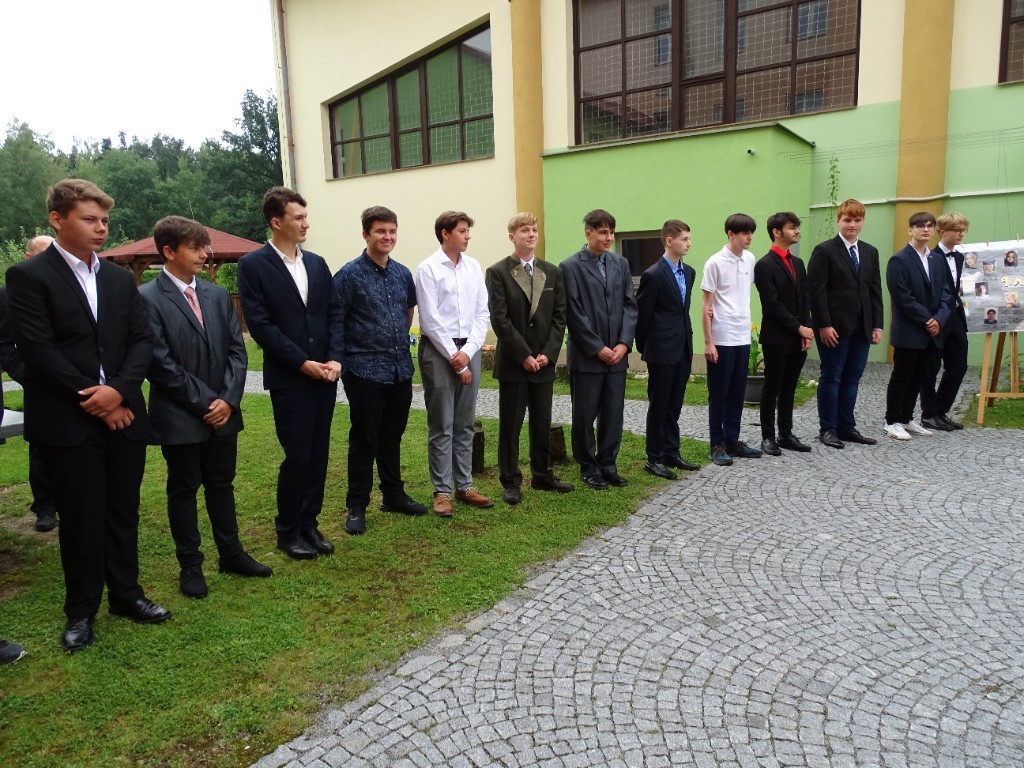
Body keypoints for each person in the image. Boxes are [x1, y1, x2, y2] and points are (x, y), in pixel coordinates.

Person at [6, 179, 170, 653]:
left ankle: (126, 595)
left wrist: (118, 392)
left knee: (123, 509)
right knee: (80, 517)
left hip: (124, 415)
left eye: (104, 221)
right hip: (68, 419)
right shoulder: (29, 276)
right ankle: (81, 610)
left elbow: (141, 340)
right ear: (58, 219)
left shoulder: (118, 278)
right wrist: (94, 398)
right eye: (89, 219)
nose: (101, 228)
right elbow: (37, 349)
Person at [140, 216, 272, 598]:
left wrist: (227, 400)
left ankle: (231, 554)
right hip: (180, 414)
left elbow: (237, 351)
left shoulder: (216, 295)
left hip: (223, 412)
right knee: (184, 489)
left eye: (204, 246)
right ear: (169, 251)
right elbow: (159, 363)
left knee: (221, 484)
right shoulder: (146, 298)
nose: (204, 254)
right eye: (195, 248)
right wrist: (205, 403)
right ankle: (190, 564)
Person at [237, 187, 342, 560]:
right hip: (290, 378)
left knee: (318, 453)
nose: (305, 223)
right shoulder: (253, 266)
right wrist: (301, 362)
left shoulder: (317, 263)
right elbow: (261, 325)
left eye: (305, 216)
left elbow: (333, 314)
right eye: (298, 217)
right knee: (297, 454)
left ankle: (309, 524)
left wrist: (335, 359)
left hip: (325, 375)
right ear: (276, 222)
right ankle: (288, 530)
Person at [333, 207, 426, 533]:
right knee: (364, 439)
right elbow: (335, 320)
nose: (387, 237)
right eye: (380, 231)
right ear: (366, 235)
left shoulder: (402, 273)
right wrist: (345, 361)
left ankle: (393, 495)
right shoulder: (348, 275)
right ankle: (357, 505)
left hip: (400, 369)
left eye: (392, 231)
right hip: (364, 371)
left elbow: (408, 310)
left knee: (392, 436)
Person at [485, 212, 574, 505]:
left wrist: (548, 353)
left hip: (543, 362)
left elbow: (559, 317)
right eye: (525, 230)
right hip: (515, 362)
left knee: (542, 421)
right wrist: (523, 354)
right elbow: (500, 319)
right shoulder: (498, 272)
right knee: (511, 425)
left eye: (534, 230)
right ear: (512, 237)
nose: (531, 234)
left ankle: (542, 474)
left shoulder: (552, 272)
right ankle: (510, 480)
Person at [415, 211, 492, 516]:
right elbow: (430, 319)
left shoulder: (473, 267)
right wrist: (455, 358)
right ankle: (442, 491)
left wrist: (469, 351)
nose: (468, 235)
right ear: (445, 234)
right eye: (462, 230)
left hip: (469, 349)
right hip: (439, 350)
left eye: (468, 230)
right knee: (442, 423)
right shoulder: (428, 268)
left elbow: (482, 314)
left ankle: (464, 486)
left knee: (465, 422)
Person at [560, 209, 638, 490]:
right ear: (588, 233)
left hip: (617, 356)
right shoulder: (570, 266)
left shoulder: (620, 263)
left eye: (612, 232)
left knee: (613, 413)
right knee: (584, 415)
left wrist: (623, 344)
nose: (609, 238)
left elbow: (630, 305)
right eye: (603, 232)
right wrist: (597, 347)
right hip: (588, 357)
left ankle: (608, 464)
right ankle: (589, 466)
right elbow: (573, 312)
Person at [806, 198, 884, 449]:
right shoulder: (825, 250)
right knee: (832, 376)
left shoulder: (870, 252)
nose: (852, 224)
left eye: (857, 220)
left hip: (862, 326)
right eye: (847, 220)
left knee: (852, 378)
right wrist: (823, 325)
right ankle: (828, 429)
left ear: (863, 222)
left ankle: (847, 427)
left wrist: (877, 325)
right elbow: (816, 292)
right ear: (838, 221)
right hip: (834, 328)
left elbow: (875, 291)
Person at [0, 235, 57, 532]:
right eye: (42, 254)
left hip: (75, 383)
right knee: (42, 448)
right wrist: (27, 376)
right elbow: (4, 345)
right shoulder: (7, 295)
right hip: (38, 385)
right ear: (27, 257)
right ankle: (45, 506)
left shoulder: (66, 289)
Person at [635, 219, 700, 479]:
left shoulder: (690, 272)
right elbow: (643, 315)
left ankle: (671, 451)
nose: (689, 243)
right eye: (684, 239)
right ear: (669, 241)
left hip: (683, 347)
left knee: (675, 404)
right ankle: (654, 457)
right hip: (661, 350)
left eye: (689, 238)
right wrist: (646, 348)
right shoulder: (653, 275)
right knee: (659, 404)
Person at [701, 213, 763, 466]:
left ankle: (732, 441)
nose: (749, 238)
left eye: (751, 233)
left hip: (742, 335)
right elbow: (706, 305)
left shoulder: (750, 259)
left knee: (738, 391)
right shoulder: (714, 263)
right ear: (730, 234)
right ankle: (716, 444)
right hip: (722, 336)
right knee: (719, 393)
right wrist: (709, 341)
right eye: (745, 233)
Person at [883, 212, 950, 441]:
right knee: (902, 375)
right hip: (910, 328)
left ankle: (906, 418)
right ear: (910, 229)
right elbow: (902, 296)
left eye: (930, 226)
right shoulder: (899, 260)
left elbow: (946, 293)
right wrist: (927, 319)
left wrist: (939, 319)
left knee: (919, 375)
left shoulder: (937, 260)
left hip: (932, 330)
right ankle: (892, 421)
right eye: (920, 226)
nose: (926, 229)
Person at [753, 212, 814, 456]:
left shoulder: (798, 263)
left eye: (797, 227)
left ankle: (786, 434)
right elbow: (772, 304)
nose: (797, 231)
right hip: (776, 337)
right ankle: (768, 437)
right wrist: (799, 328)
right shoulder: (764, 265)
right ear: (777, 232)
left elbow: (805, 298)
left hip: (798, 336)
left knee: (789, 388)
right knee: (772, 387)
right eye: (791, 227)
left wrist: (806, 330)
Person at [920, 212, 969, 432]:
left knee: (958, 366)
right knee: (930, 367)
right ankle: (929, 414)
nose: (961, 234)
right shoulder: (931, 257)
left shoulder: (960, 257)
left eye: (963, 230)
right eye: (957, 230)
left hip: (956, 317)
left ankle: (941, 410)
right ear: (943, 232)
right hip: (937, 318)